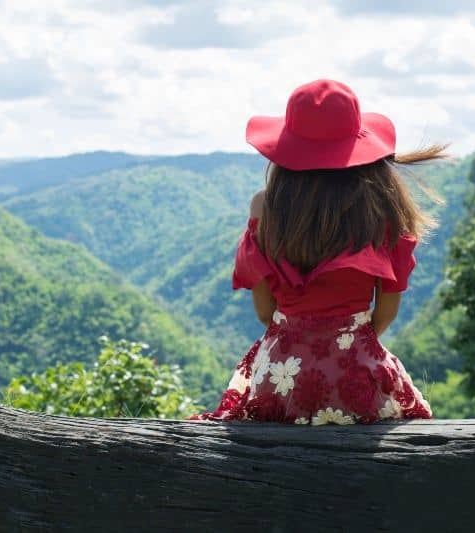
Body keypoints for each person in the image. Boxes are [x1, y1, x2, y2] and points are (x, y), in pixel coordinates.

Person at [187, 79, 444, 425]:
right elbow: (385, 314)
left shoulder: (264, 209)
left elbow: (266, 313)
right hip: (358, 378)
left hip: (279, 378)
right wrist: (343, 345)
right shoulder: (383, 211)